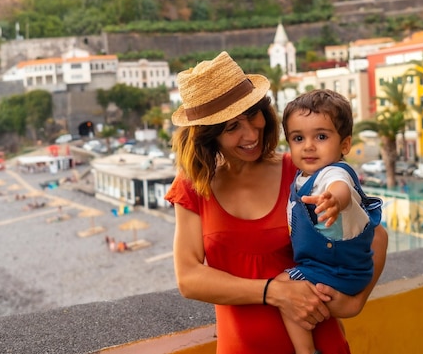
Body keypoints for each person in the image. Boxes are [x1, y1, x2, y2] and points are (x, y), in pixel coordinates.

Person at [164, 51, 388, 354]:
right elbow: (189, 278)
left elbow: (374, 235)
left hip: (321, 344)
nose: (251, 133)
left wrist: (353, 302)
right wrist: (275, 292)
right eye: (232, 128)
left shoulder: (299, 173)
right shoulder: (192, 187)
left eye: (252, 115)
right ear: (208, 136)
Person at [275, 89, 382, 354]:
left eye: (321, 136)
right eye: (298, 138)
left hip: (339, 272)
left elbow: (340, 187)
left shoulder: (333, 172)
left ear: (344, 145)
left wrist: (334, 200)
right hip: (331, 268)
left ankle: (306, 351)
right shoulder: (301, 178)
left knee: (284, 289)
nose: (308, 145)